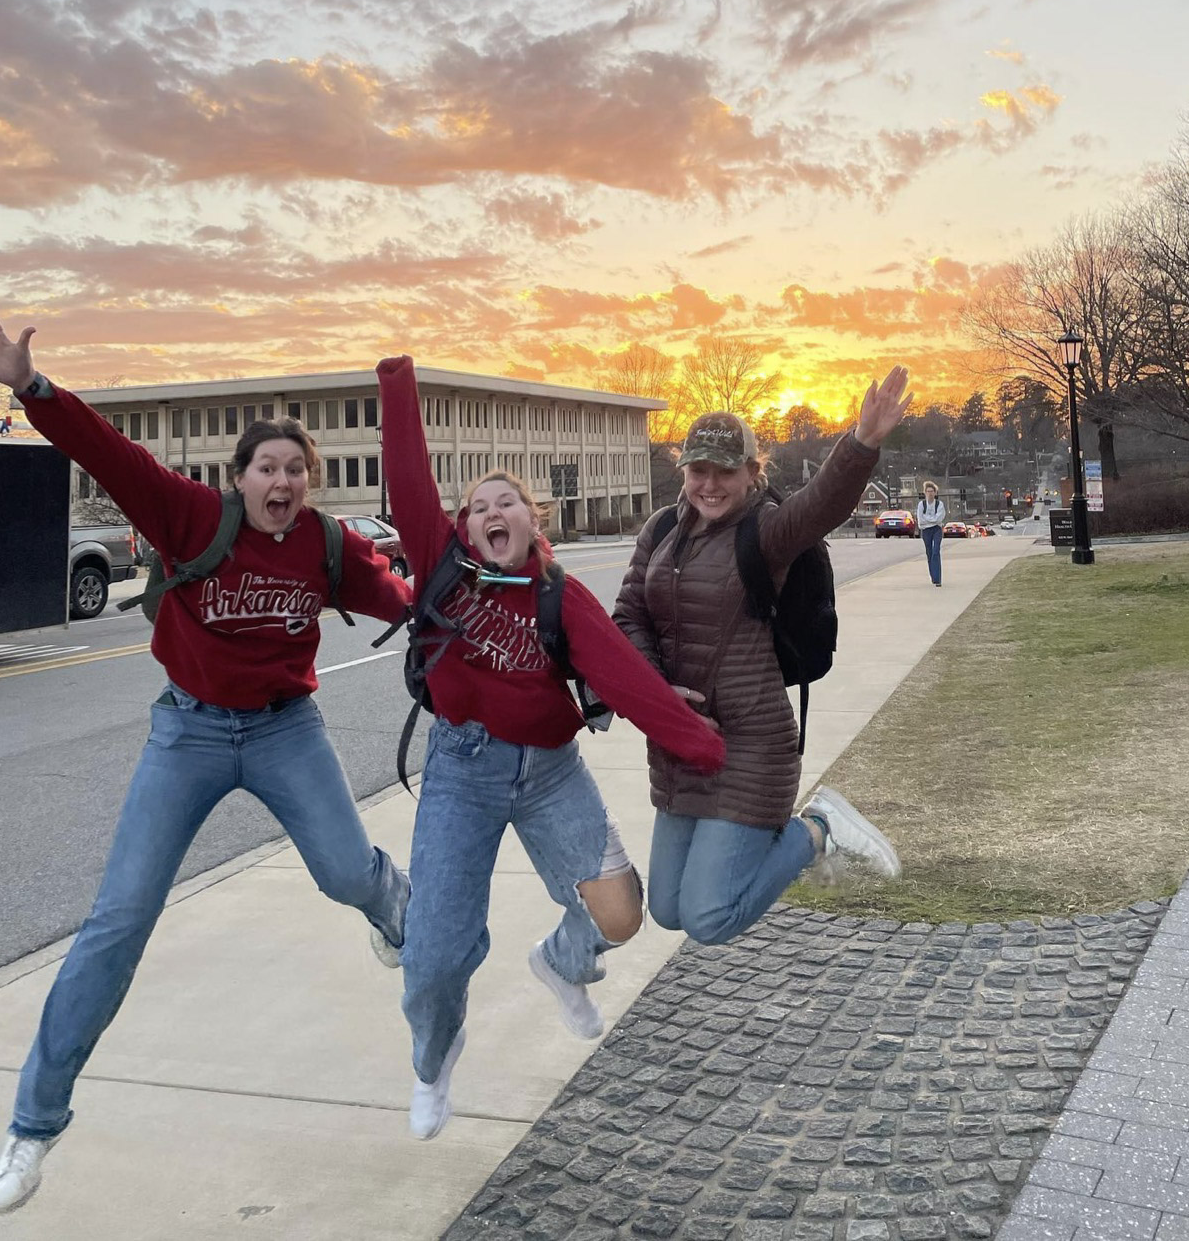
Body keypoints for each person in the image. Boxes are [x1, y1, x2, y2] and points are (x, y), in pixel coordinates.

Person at [0, 320, 413, 1215]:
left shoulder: (324, 545)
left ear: (308, 482)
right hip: (186, 734)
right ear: (240, 478)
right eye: (268, 468)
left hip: (283, 730)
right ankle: (32, 1127)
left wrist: (454, 604)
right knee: (118, 921)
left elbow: (400, 597)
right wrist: (31, 388)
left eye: (295, 470)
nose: (283, 482)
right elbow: (105, 453)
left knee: (348, 872)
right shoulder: (189, 515)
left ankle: (398, 914)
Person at [375, 354, 725, 1143]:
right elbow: (405, 479)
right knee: (432, 958)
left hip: (549, 775)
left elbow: (625, 680)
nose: (492, 511)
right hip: (461, 771)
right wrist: (399, 385)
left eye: (509, 503)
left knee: (622, 913)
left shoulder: (558, 596)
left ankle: (562, 962)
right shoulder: (443, 568)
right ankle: (434, 1058)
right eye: (477, 506)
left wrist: (695, 738)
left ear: (535, 520)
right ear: (462, 528)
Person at [613, 368, 913, 947]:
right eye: (699, 469)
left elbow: (820, 506)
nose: (711, 484)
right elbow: (629, 617)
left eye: (727, 471)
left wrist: (862, 444)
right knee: (670, 910)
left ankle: (816, 830)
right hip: (681, 745)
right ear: (684, 471)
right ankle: (810, 834)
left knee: (709, 917)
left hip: (750, 744)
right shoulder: (661, 530)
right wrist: (654, 691)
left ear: (753, 472)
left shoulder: (766, 531)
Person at [916, 480, 946, 586]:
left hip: (937, 529)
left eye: (932, 491)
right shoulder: (921, 505)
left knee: (936, 551)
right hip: (926, 531)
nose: (930, 493)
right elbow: (921, 520)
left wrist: (929, 519)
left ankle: (938, 579)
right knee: (929, 553)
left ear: (935, 493)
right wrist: (931, 519)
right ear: (925, 493)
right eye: (928, 491)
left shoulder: (939, 504)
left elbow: (939, 519)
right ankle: (933, 576)